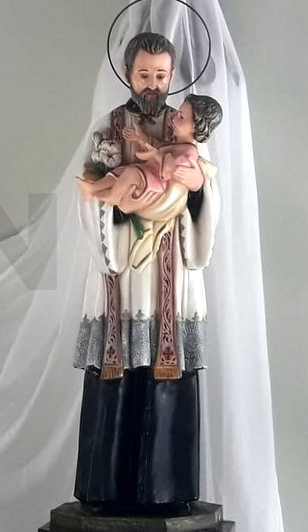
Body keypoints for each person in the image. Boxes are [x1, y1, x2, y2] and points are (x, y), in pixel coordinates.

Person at [73, 32, 220, 514]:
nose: (152, 85)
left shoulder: (187, 126)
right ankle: (107, 490)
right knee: (116, 371)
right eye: (143, 74)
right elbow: (89, 188)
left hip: (172, 269)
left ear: (172, 75)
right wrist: (117, 207)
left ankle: (165, 489)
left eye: (160, 75)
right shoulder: (109, 127)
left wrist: (197, 190)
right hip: (124, 267)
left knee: (167, 369)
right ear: (128, 74)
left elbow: (207, 188)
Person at [75, 94, 222, 219]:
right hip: (147, 173)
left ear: (195, 127)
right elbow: (161, 146)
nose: (174, 117)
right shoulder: (178, 144)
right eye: (178, 112)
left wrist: (155, 154)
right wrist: (142, 139)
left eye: (181, 117)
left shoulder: (190, 153)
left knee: (131, 174)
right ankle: (93, 188)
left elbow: (173, 167)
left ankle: (108, 196)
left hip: (155, 184)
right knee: (120, 172)